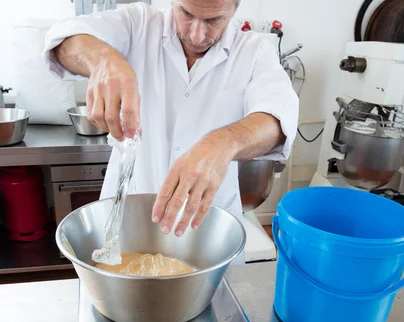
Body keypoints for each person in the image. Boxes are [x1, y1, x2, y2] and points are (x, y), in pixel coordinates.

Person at [43, 0, 298, 244]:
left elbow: (276, 120)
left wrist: (223, 143)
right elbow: (65, 39)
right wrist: (103, 61)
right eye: (186, 13)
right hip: (130, 218)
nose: (197, 35)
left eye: (214, 19)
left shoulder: (253, 51)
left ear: (235, 7)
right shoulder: (138, 24)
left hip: (209, 228)